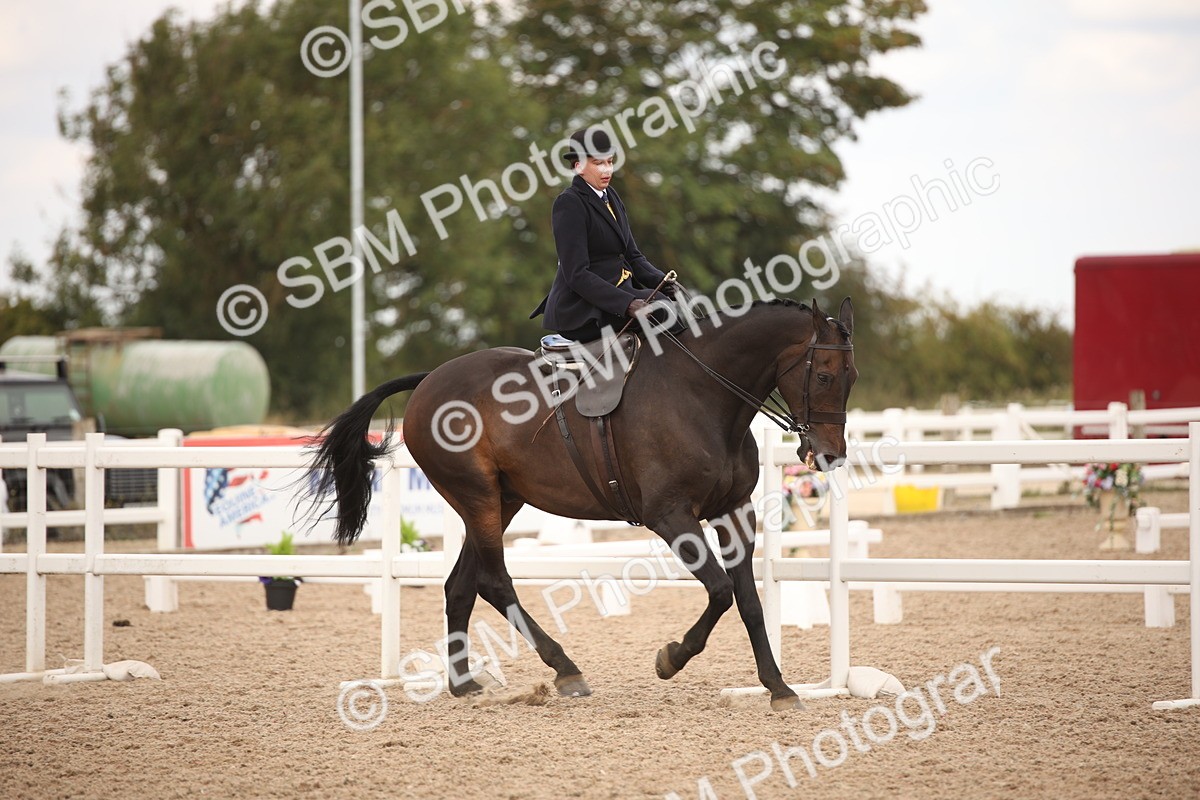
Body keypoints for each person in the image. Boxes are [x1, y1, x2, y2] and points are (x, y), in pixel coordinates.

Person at [529, 127, 677, 343]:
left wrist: (663, 281)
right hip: (580, 309)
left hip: (617, 295)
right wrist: (626, 303)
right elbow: (576, 274)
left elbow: (633, 256)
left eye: (609, 162)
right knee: (660, 309)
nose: (607, 170)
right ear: (578, 166)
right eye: (598, 163)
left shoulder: (612, 197)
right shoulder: (569, 203)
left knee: (670, 303)